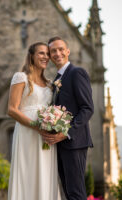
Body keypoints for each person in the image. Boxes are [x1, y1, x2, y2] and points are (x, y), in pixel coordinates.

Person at [7, 42, 62, 200]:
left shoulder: (50, 84)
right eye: (41, 53)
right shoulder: (21, 77)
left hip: (46, 136)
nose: (45, 57)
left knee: (45, 172)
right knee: (27, 172)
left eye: (47, 54)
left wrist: (54, 124)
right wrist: (37, 126)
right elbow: (11, 109)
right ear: (31, 56)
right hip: (27, 133)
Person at [43, 36, 94, 200]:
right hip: (61, 143)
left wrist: (67, 132)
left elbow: (87, 108)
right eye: (53, 51)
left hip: (74, 141)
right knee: (68, 191)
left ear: (67, 51)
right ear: (50, 56)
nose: (57, 53)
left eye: (60, 49)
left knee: (75, 192)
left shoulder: (76, 72)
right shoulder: (57, 79)